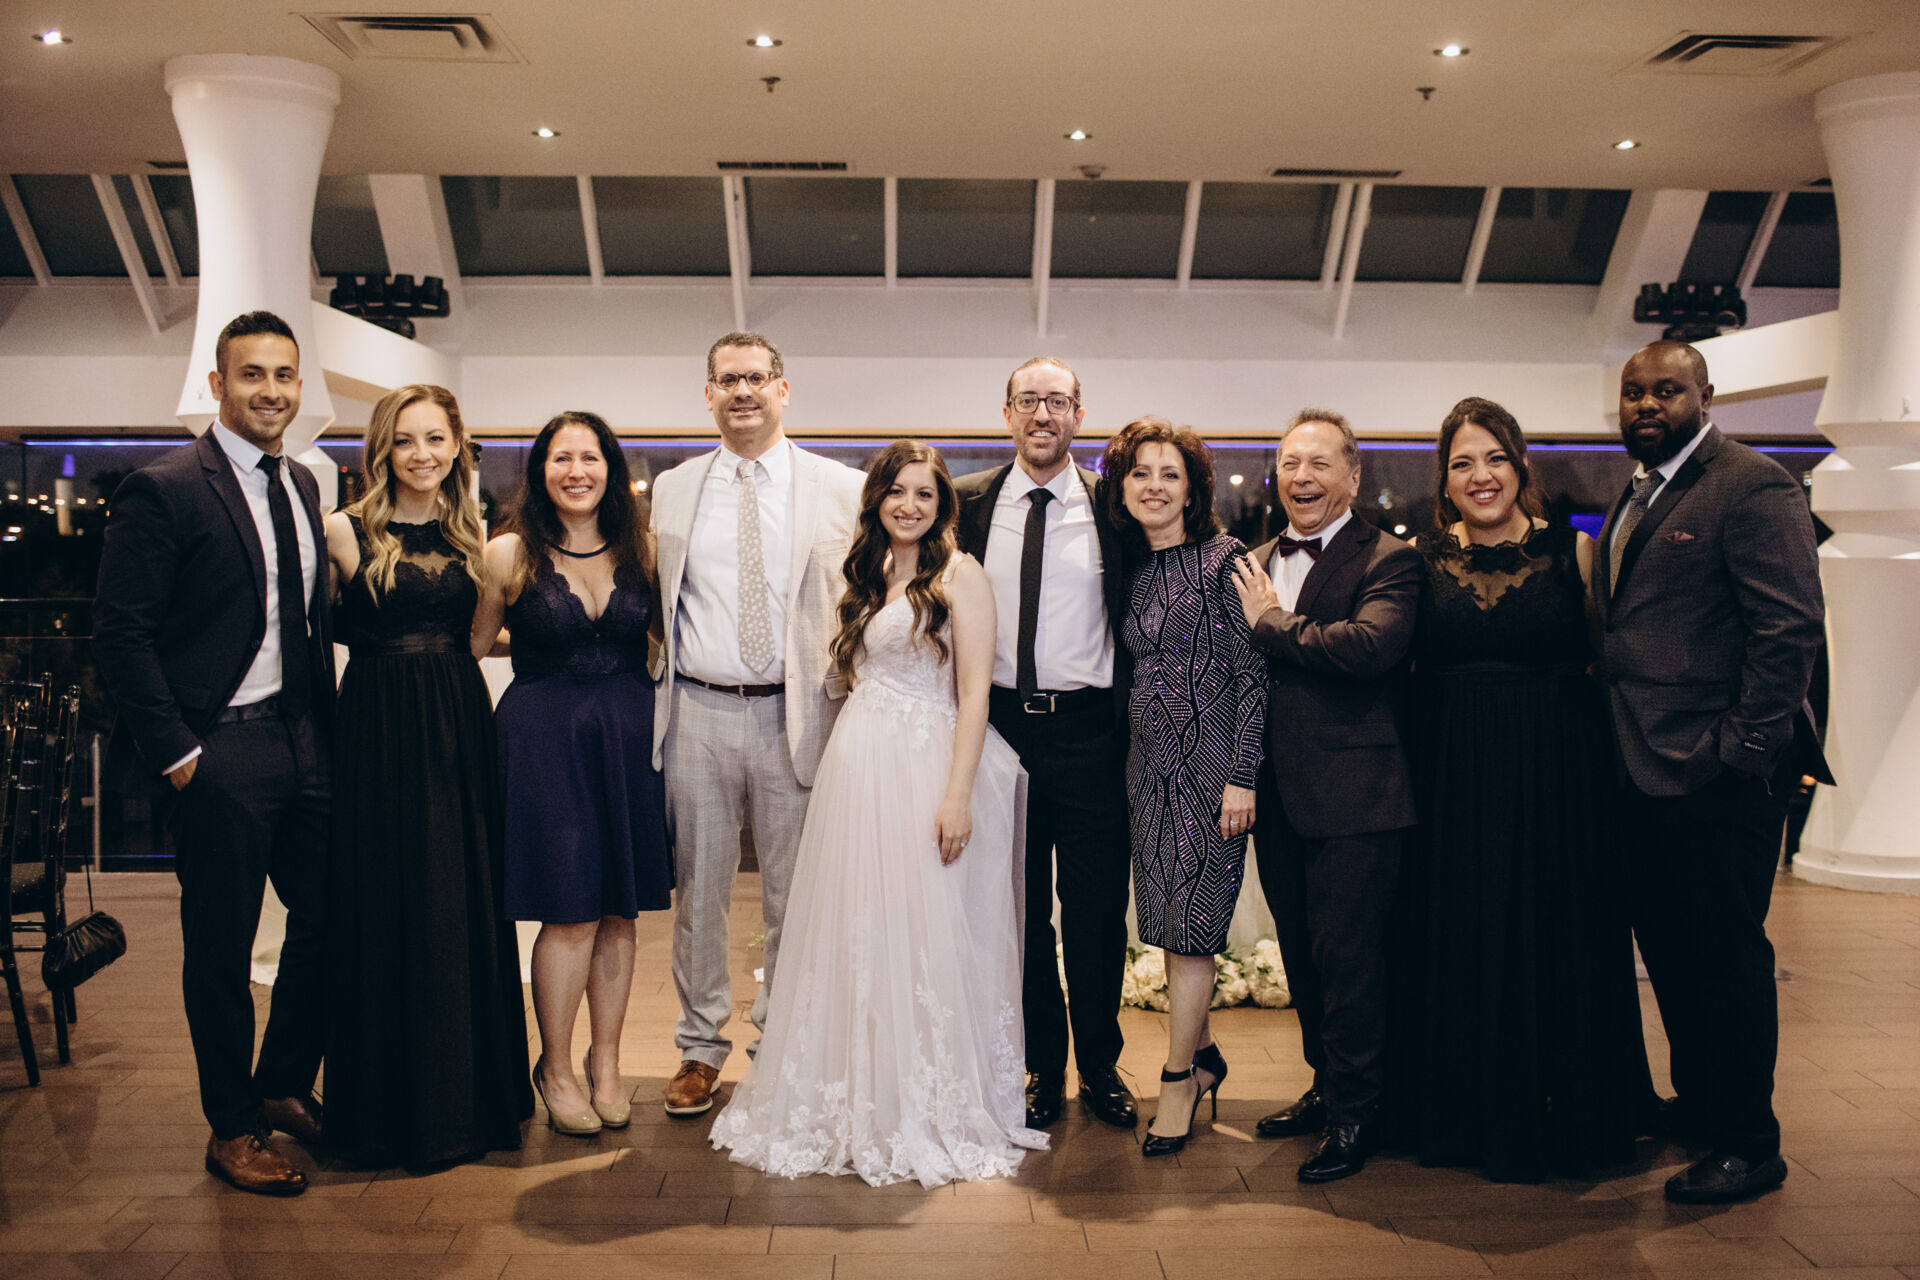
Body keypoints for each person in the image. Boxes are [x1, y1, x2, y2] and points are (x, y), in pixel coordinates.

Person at [710, 441, 1045, 1186]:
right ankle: (853, 1091)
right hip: (858, 767)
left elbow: (974, 695)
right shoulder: (865, 572)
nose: (909, 506)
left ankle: (920, 1099)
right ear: (877, 500)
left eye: (925, 494)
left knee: (923, 925)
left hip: (924, 767)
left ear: (942, 504)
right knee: (857, 926)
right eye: (897, 491)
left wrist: (956, 795)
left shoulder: (960, 576)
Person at [93, 310, 332, 1194]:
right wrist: (178, 751)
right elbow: (119, 634)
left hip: (305, 738)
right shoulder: (165, 488)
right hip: (219, 749)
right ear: (217, 384)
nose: (271, 391)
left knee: (334, 916)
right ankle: (231, 1126)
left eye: (284, 375)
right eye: (252, 374)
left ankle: (279, 1083)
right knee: (223, 950)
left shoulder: (302, 484)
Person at [1596, 342, 1829, 1205]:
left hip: (1719, 777)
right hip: (1644, 769)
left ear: (1706, 396)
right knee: (1674, 953)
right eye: (1633, 392)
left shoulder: (1753, 485)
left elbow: (1790, 630)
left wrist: (1743, 754)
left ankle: (1748, 1143)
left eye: (1667, 390)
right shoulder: (1638, 490)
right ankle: (1701, 1106)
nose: (1646, 404)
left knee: (1726, 961)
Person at [1400, 397, 1653, 1182]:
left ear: (1521, 467)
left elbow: (1612, 665)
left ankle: (1575, 1112)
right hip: (1453, 782)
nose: (1481, 476)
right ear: (1445, 481)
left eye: (1495, 459)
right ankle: (1467, 1115)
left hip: (1560, 782)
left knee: (1561, 934)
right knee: (1465, 934)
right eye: (1463, 463)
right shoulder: (1417, 561)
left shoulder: (1577, 552)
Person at [650, 333, 866, 1116]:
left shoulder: (842, 489)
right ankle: (699, 1047)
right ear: (708, 394)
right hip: (698, 709)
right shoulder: (673, 489)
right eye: (727, 380)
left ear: (783, 389)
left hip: (798, 711)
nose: (743, 391)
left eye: (756, 378)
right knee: (698, 894)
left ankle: (781, 1044)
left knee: (795, 895)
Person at [321, 384, 532, 1166]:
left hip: (456, 724)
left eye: (436, 439)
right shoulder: (341, 530)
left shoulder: (476, 533)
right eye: (406, 440)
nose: (422, 454)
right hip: (373, 728)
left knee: (456, 894)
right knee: (380, 897)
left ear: (456, 447)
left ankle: (468, 1101)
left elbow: (480, 636)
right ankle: (385, 1113)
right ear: (383, 449)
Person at [1229, 408, 1419, 1184]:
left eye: (1319, 463)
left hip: (1358, 794)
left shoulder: (1391, 561)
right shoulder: (1253, 559)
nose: (1301, 477)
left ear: (1353, 476)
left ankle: (1357, 1114)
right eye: (1289, 463)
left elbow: (1370, 648)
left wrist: (1271, 623)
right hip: (1277, 795)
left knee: (1350, 961)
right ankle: (1325, 1085)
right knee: (1303, 957)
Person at [472, 411, 670, 1136]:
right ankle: (554, 1069)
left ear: (611, 470)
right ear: (540, 471)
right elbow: (468, 648)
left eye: (590, 457)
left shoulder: (644, 549)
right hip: (543, 744)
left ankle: (606, 1063)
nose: (577, 471)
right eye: (562, 458)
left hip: (629, 739)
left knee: (619, 910)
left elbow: (669, 639)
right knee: (569, 909)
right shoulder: (507, 554)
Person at [954, 357, 1136, 1131]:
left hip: (1092, 733)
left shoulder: (1114, 509)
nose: (1041, 414)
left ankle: (1099, 1065)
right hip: (1000, 730)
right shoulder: (967, 504)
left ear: (1078, 416)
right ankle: (1039, 1067)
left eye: (1057, 401)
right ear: (1006, 413)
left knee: (1096, 912)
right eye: (1028, 400)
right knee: (1019, 914)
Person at [1101, 419, 1265, 1158]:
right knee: (1167, 926)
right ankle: (1204, 1059)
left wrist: (1242, 776)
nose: (1155, 486)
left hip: (1210, 774)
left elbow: (1253, 675)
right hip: (1147, 772)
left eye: (1170, 474)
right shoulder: (1131, 568)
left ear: (1194, 490)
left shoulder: (1225, 561)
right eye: (1140, 473)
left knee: (1194, 930)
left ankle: (1175, 1081)